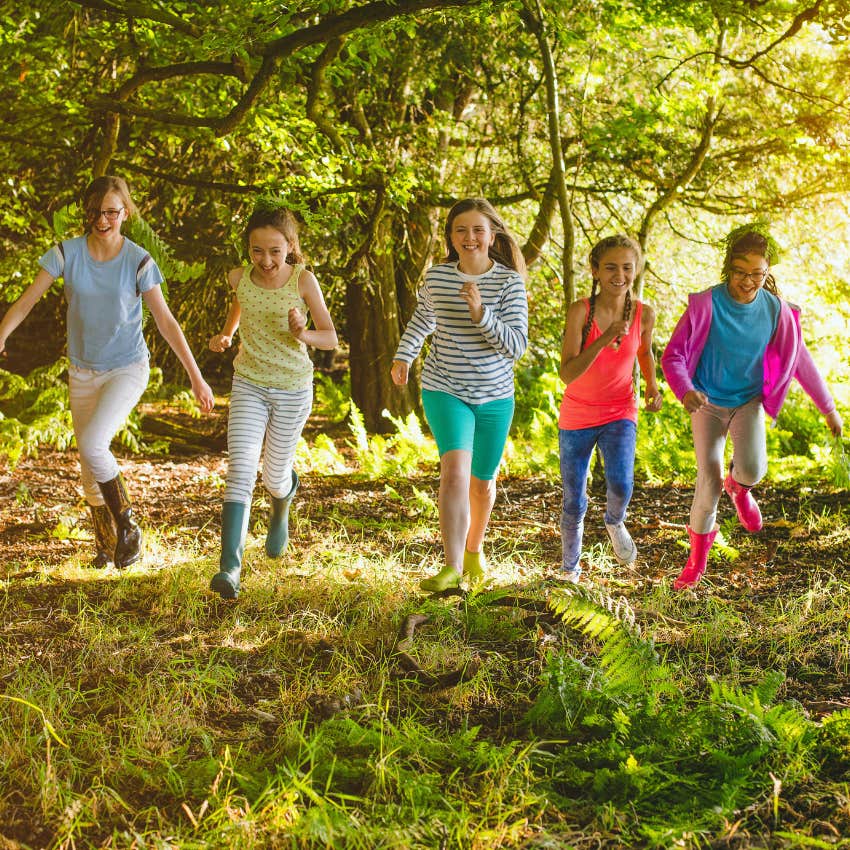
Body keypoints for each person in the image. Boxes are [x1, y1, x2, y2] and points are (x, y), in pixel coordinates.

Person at [0, 175, 214, 568]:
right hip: (82, 372)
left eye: (111, 212)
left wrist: (197, 377)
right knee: (88, 465)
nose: (102, 220)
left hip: (126, 368)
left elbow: (166, 322)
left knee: (94, 444)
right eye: (96, 212)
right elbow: (27, 301)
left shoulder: (138, 260)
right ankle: (106, 543)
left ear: (125, 213)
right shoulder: (66, 253)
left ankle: (128, 526)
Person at [662, 223, 843, 590]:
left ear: (767, 272)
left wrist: (828, 409)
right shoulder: (706, 304)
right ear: (729, 268)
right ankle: (695, 564)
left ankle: (740, 488)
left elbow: (801, 363)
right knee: (707, 482)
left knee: (754, 469)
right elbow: (673, 355)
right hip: (707, 404)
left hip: (748, 402)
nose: (748, 281)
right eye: (741, 272)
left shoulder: (777, 312)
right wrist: (685, 391)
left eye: (757, 274)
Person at [391, 197, 528, 591]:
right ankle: (451, 568)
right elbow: (423, 319)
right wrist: (404, 355)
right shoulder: (437, 278)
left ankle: (473, 550)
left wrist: (481, 314)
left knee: (482, 484)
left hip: (495, 397)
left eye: (477, 230)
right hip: (444, 388)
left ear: (492, 235)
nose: (469, 237)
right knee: (453, 472)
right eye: (460, 230)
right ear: (451, 236)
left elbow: (516, 346)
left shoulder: (508, 282)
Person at [207, 199, 337, 600]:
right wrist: (227, 334)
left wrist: (303, 334)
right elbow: (241, 302)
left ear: (291, 247)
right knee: (241, 467)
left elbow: (330, 337)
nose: (265, 260)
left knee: (273, 476)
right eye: (257, 251)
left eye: (275, 251)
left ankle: (283, 499)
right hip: (249, 383)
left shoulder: (303, 281)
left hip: (293, 389)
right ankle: (230, 566)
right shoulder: (239, 277)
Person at [557, 235, 662, 582]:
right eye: (611, 267)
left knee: (621, 484)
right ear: (595, 271)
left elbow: (644, 352)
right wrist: (604, 338)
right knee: (574, 499)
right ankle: (570, 568)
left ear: (636, 271)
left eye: (627, 268)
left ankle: (614, 520)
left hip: (620, 411)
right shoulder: (580, 311)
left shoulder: (644, 313)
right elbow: (567, 373)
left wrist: (651, 384)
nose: (620, 275)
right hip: (577, 415)